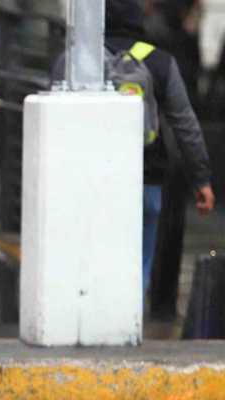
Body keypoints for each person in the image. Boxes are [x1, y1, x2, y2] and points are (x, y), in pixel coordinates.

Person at [101, 0, 215, 296]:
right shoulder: (160, 61)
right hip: (147, 175)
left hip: (96, 178)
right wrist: (201, 178)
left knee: (96, 253)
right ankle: (131, 319)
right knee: (141, 257)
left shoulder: (79, 62)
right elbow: (185, 123)